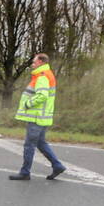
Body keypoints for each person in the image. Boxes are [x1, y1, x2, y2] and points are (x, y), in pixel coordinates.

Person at [9, 53, 66, 181]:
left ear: (41, 62)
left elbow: (42, 96)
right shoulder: (46, 74)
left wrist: (28, 104)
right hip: (42, 117)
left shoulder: (42, 76)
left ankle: (25, 172)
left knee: (29, 145)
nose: (32, 64)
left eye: (34, 62)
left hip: (37, 117)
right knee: (41, 143)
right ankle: (57, 166)